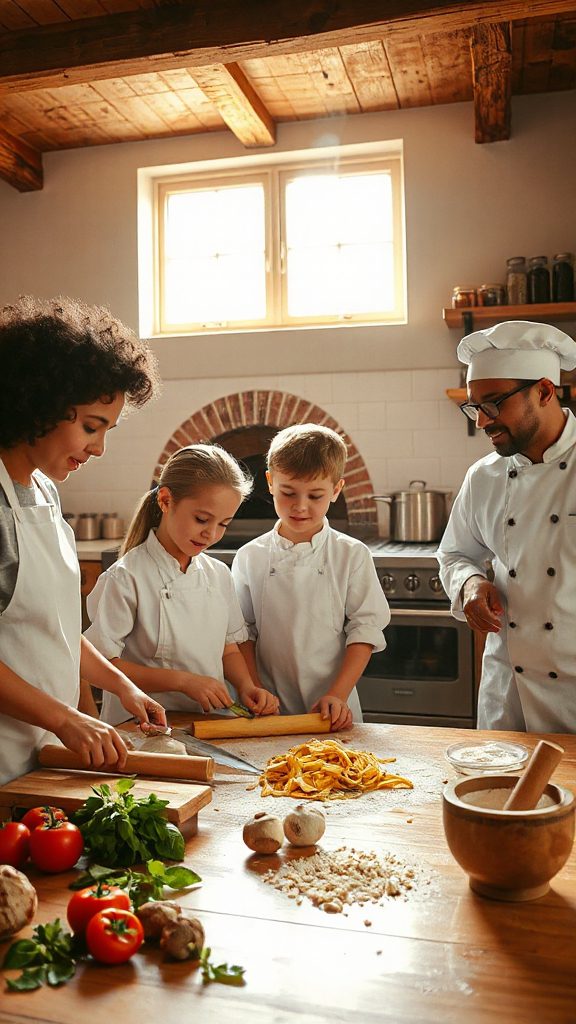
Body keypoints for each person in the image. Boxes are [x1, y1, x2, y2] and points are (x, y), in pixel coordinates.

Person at [0, 295, 167, 785]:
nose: (99, 448)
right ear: (38, 403)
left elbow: (50, 629)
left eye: (107, 430)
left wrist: (122, 686)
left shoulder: (44, 491)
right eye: (91, 427)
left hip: (42, 758)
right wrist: (65, 718)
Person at [437, 320, 576, 732]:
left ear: (545, 391)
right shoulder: (483, 477)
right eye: (475, 406)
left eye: (494, 403)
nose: (482, 421)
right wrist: (469, 584)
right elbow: (455, 553)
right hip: (507, 697)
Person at [85, 444, 280, 724]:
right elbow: (100, 664)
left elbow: (228, 648)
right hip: (141, 728)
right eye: (201, 519)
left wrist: (248, 686)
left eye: (224, 524)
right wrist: (183, 681)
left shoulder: (218, 575)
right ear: (165, 501)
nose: (211, 533)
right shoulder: (126, 577)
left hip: (210, 725)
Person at [231, 423, 390, 730]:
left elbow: (365, 630)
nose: (300, 506)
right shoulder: (250, 556)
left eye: (315, 496)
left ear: (336, 490)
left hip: (332, 707)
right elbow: (242, 633)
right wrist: (254, 688)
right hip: (268, 708)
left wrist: (337, 694)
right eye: (288, 492)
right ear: (270, 483)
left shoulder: (351, 555)